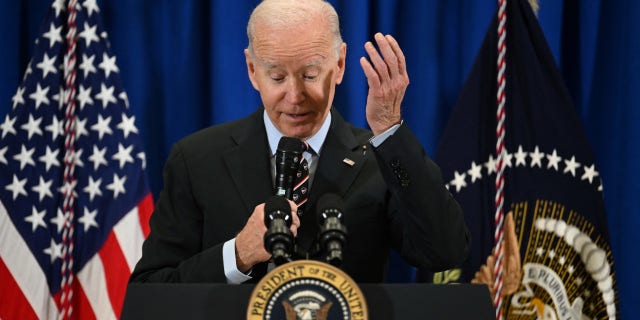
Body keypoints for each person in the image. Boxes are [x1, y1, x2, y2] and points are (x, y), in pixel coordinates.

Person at [130, 0, 470, 284]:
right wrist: (238, 255)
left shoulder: (379, 160)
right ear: (252, 70)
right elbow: (151, 289)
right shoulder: (196, 159)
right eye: (277, 77)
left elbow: (445, 251)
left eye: (310, 75)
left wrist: (388, 130)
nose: (295, 96)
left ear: (339, 64)